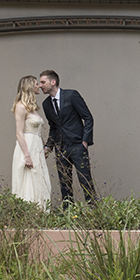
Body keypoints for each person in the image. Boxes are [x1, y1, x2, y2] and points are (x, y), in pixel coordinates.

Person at [38, 69, 96, 205]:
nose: (40, 85)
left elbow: (88, 118)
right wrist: (48, 147)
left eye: (43, 82)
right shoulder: (46, 104)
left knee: (85, 181)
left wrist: (85, 141)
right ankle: (68, 213)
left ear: (53, 82)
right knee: (65, 183)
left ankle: (94, 211)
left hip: (77, 145)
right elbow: (53, 127)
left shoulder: (71, 95)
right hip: (60, 148)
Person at [11, 75, 52, 208]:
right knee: (28, 180)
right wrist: (26, 156)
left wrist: (44, 148)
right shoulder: (20, 106)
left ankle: (41, 211)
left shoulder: (32, 108)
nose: (39, 86)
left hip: (37, 147)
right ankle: (29, 211)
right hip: (27, 147)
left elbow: (37, 132)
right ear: (29, 86)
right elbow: (19, 132)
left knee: (39, 179)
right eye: (36, 84)